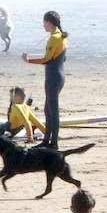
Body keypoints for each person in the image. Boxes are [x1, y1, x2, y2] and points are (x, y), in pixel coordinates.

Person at [23, 11, 67, 149]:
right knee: (47, 110)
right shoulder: (61, 36)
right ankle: (47, 141)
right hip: (58, 75)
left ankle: (54, 143)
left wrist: (28, 60)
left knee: (52, 111)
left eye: (44, 22)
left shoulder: (54, 38)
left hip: (53, 77)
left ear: (49, 22)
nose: (43, 25)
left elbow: (46, 59)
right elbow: (61, 58)